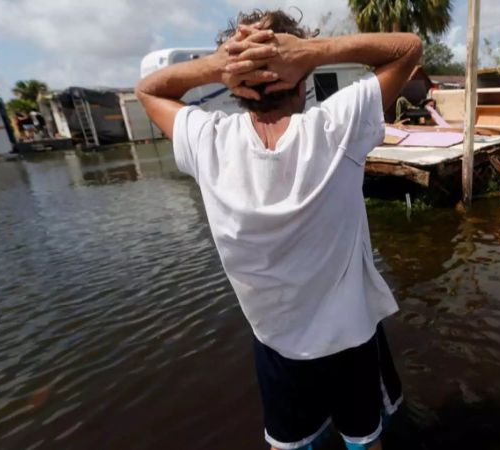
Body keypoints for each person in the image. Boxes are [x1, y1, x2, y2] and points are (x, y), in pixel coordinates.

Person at [135, 9, 422, 450]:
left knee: (288, 444)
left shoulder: (207, 140)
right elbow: (408, 48)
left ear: (237, 84)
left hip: (277, 346)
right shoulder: (336, 128)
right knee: (364, 441)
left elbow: (149, 90)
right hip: (350, 340)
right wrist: (311, 51)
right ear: (302, 76)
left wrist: (218, 65)